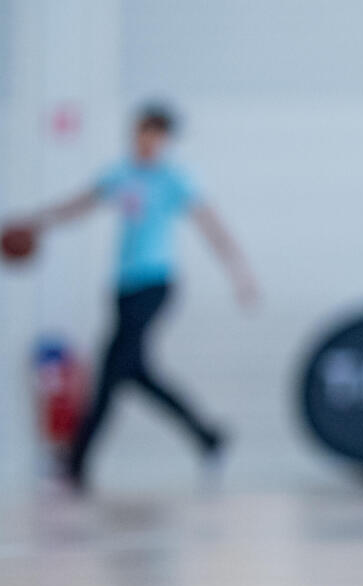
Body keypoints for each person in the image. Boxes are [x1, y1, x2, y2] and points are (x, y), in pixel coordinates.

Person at [2, 102, 258, 491]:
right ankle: (208, 436)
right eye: (141, 132)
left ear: (165, 139)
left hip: (156, 284)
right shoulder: (121, 174)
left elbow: (211, 225)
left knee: (111, 370)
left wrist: (240, 272)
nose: (145, 140)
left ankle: (75, 463)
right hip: (123, 287)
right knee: (135, 372)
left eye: (154, 134)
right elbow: (79, 205)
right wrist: (37, 221)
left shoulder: (175, 179)